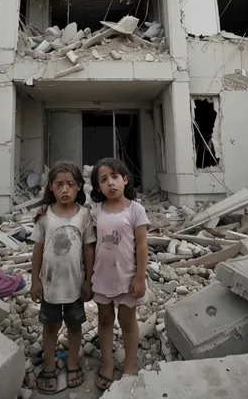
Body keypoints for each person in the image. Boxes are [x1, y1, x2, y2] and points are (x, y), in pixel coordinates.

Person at [30, 160, 96, 395]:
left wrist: (88, 281)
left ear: (79, 187)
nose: (65, 189)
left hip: (75, 286)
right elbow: (37, 248)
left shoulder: (85, 216)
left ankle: (72, 362)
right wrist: (35, 280)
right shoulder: (45, 215)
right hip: (49, 285)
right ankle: (49, 365)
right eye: (59, 184)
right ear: (51, 188)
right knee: (50, 326)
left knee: (75, 325)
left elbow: (89, 250)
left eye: (70, 184)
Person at [89, 158, 149, 391]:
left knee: (127, 320)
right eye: (103, 180)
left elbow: (142, 245)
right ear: (98, 187)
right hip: (103, 277)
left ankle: (131, 363)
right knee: (104, 319)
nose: (110, 183)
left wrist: (140, 277)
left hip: (127, 277)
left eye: (115, 177)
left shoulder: (136, 209)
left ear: (125, 180)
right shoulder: (95, 212)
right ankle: (106, 363)